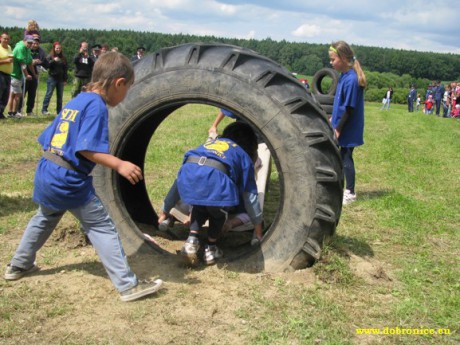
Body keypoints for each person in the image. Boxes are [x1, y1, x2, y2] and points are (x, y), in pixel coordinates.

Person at [4, 52, 163, 302]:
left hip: (47, 170)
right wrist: (119, 164)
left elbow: (46, 137)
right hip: (69, 180)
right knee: (101, 227)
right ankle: (127, 285)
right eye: (127, 89)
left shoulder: (76, 101)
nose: (125, 96)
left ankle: (18, 266)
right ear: (118, 83)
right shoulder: (96, 106)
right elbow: (86, 148)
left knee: (45, 216)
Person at [176, 122, 263, 265]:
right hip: (220, 193)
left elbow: (178, 183)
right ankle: (211, 249)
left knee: (198, 208)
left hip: (193, 181)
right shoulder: (244, 158)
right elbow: (250, 198)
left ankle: (191, 241)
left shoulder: (210, 147)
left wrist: (166, 210)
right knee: (218, 215)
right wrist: (258, 230)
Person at [328, 41, 366, 205]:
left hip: (348, 126)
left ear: (343, 58)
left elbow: (349, 108)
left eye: (333, 59)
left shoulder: (351, 79)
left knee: (346, 156)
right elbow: (340, 102)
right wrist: (333, 118)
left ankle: (350, 192)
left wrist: (338, 128)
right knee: (340, 155)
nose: (331, 63)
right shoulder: (344, 76)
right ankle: (340, 186)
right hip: (342, 123)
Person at [7, 35, 36, 118]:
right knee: (18, 94)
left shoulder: (27, 49)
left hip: (18, 75)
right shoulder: (20, 48)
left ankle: (10, 113)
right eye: (28, 43)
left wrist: (34, 74)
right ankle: (14, 113)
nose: (30, 44)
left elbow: (30, 62)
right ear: (24, 41)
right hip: (15, 74)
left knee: (13, 94)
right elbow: (22, 64)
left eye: (31, 43)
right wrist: (27, 75)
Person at [20, 34, 48, 116]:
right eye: (34, 43)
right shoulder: (27, 50)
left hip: (35, 74)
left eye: (37, 43)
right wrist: (32, 61)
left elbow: (45, 62)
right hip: (25, 73)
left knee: (32, 94)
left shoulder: (41, 51)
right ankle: (19, 110)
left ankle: (29, 111)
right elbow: (24, 61)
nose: (35, 44)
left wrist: (40, 62)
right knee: (22, 92)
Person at [41, 42, 68, 116]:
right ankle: (44, 109)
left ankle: (59, 111)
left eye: (59, 48)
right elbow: (46, 66)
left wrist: (65, 79)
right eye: (57, 48)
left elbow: (65, 69)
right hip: (52, 78)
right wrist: (53, 60)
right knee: (49, 94)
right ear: (54, 48)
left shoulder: (63, 58)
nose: (58, 49)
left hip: (61, 79)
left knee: (60, 96)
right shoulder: (50, 56)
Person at [0, 32, 13, 119]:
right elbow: (7, 60)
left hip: (8, 74)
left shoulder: (9, 47)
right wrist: (6, 61)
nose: (6, 40)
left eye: (8, 39)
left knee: (6, 94)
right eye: (4, 38)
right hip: (0, 73)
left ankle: (1, 112)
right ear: (0, 38)